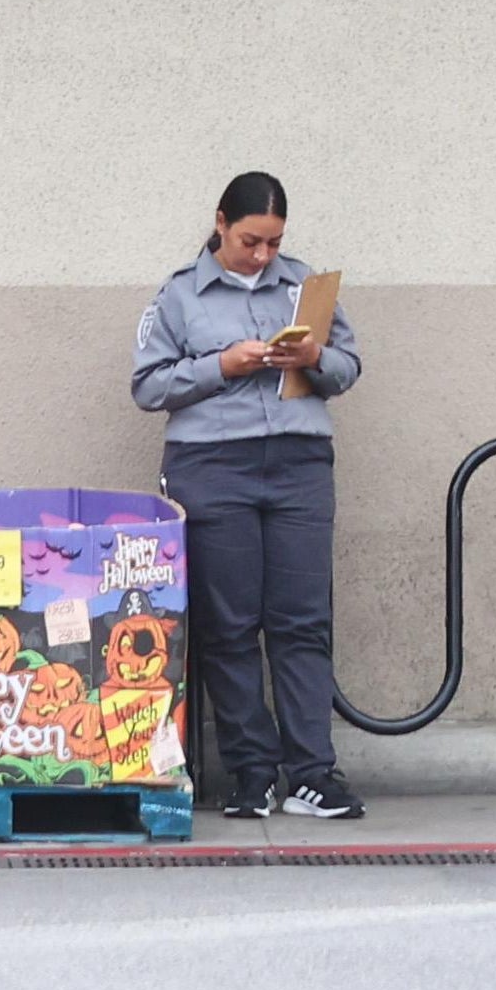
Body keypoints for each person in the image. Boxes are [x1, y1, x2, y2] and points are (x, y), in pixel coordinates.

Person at [130, 168, 363, 819]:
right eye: (251, 242)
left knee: (303, 622)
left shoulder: (305, 285)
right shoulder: (179, 295)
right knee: (230, 627)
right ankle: (251, 773)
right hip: (213, 464)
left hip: (299, 461)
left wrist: (313, 357)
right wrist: (222, 366)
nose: (263, 256)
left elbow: (348, 367)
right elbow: (147, 386)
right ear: (220, 225)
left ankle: (314, 774)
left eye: (273, 242)